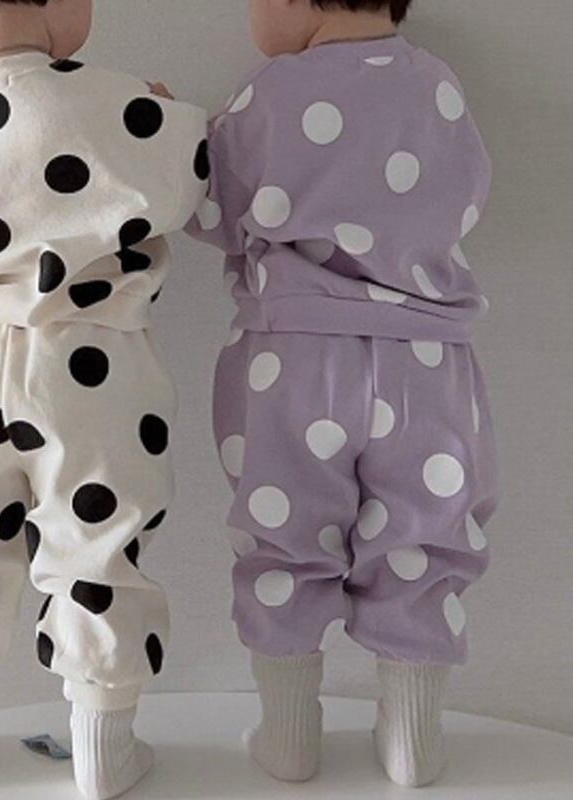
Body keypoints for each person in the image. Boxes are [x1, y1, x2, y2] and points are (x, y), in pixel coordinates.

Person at [0, 1, 207, 795]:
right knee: (98, 545)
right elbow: (185, 179)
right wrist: (163, 114)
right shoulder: (107, 98)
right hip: (86, 358)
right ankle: (102, 746)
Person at [187, 0, 496, 787]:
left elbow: (212, 206)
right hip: (427, 362)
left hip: (294, 361)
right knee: (424, 542)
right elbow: (465, 198)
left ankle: (288, 737)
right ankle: (413, 740)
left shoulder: (272, 92)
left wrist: (176, 134)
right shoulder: (438, 87)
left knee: (283, 538)